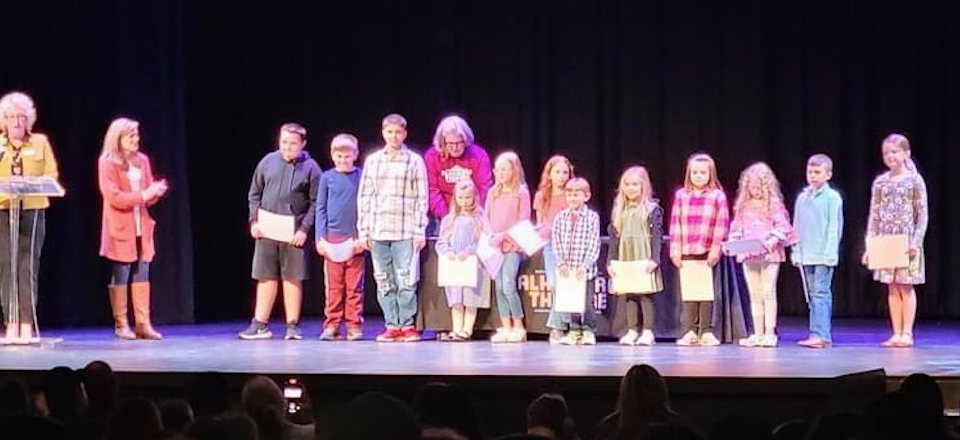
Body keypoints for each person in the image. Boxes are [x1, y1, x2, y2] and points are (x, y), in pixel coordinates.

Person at [239, 123, 322, 340]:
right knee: (265, 275)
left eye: (293, 143)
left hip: (293, 232)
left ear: (303, 144)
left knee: (292, 277)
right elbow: (254, 194)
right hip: (267, 228)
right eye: (284, 142)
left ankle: (292, 325)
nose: (287, 147)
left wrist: (304, 229)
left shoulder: (311, 168)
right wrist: (254, 220)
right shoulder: (268, 161)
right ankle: (260, 324)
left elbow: (317, 202)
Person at [357, 113, 429, 342]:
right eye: (390, 132)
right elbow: (365, 197)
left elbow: (421, 197)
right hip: (379, 231)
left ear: (405, 134)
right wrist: (364, 230)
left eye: (398, 132)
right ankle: (391, 324)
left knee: (406, 279)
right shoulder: (373, 161)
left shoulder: (414, 160)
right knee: (384, 280)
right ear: (383, 132)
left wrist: (419, 230)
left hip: (405, 231)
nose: (394, 136)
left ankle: (407, 324)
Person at [98, 117, 168, 340]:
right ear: (118, 139)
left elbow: (146, 195)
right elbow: (113, 196)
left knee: (142, 272)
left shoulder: (142, 160)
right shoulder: (107, 163)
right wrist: (144, 195)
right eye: (131, 136)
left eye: (137, 135)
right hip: (120, 226)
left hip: (141, 224)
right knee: (121, 273)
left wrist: (154, 192)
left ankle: (142, 323)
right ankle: (121, 325)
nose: (136, 139)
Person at [0, 91, 60, 344]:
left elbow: (51, 173)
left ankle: (27, 324)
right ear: (3, 121)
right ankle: (10, 324)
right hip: (4, 210)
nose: (16, 122)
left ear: (28, 120)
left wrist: (32, 184)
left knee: (27, 267)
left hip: (33, 210)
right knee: (7, 266)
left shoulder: (40, 142)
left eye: (21, 117)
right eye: (10, 116)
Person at [862, 134, 928, 348]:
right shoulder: (880, 182)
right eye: (886, 152)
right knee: (892, 286)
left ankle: (907, 332)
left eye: (895, 151)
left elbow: (922, 214)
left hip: (906, 239)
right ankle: (896, 332)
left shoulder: (914, 180)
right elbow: (874, 215)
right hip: (886, 238)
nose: (890, 156)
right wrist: (869, 245)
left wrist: (915, 243)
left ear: (906, 153)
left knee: (905, 286)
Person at [728, 162, 795, 348]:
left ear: (766, 186)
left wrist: (772, 240)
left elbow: (783, 227)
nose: (755, 190)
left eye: (758, 187)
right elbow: (736, 229)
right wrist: (733, 242)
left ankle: (769, 333)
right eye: (752, 187)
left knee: (768, 292)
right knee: (754, 294)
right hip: (749, 255)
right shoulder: (743, 206)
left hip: (769, 255)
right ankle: (757, 334)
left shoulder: (773, 204)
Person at [669, 153, 729, 346]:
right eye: (694, 172)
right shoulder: (681, 195)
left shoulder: (717, 196)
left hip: (706, 250)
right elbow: (675, 223)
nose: (698, 176)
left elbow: (721, 223)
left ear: (710, 174)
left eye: (703, 172)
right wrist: (675, 249)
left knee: (706, 293)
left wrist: (715, 248)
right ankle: (690, 330)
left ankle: (705, 330)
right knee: (690, 292)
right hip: (686, 250)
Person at [315, 134, 364, 341]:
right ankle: (332, 324)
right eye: (339, 156)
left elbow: (366, 207)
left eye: (347, 156)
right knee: (334, 288)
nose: (343, 160)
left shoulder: (361, 176)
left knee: (354, 287)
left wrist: (362, 238)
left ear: (355, 155)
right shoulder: (327, 178)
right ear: (332, 156)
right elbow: (320, 208)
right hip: (331, 240)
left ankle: (353, 325)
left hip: (354, 241)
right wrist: (320, 238)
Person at [607, 166, 664, 346]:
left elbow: (657, 236)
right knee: (629, 294)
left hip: (644, 255)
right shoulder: (619, 211)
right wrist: (610, 261)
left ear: (643, 186)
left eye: (635, 184)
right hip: (625, 256)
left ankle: (648, 331)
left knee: (645, 294)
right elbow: (614, 239)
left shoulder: (651, 209)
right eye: (627, 184)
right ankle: (632, 329)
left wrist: (655, 258)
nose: (631, 188)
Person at [791, 154, 843, 349]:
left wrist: (830, 255)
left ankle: (822, 334)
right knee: (811, 295)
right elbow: (796, 227)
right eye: (810, 172)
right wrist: (796, 252)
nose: (812, 176)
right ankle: (815, 332)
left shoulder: (832, 198)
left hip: (823, 255)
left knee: (821, 293)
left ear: (828, 174)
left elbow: (833, 228)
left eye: (817, 172)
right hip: (806, 255)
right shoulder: (802, 198)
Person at [484, 152, 531, 343]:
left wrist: (503, 236)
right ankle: (506, 326)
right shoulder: (492, 192)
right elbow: (485, 216)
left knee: (508, 285)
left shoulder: (521, 192)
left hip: (512, 246)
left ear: (514, 170)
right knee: (499, 288)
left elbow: (523, 220)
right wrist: (491, 236)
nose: (500, 173)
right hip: (496, 247)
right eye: (498, 170)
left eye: (504, 169)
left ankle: (519, 326)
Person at [436, 180, 488, 341]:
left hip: (473, 264)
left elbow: (483, 240)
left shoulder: (479, 218)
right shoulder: (449, 219)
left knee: (470, 298)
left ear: (474, 197)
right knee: (456, 299)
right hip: (455, 265)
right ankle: (457, 329)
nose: (465, 201)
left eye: (468, 197)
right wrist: (448, 252)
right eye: (461, 197)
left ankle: (467, 329)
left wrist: (470, 251)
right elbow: (441, 242)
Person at [552, 178, 601, 345]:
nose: (572, 198)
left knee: (586, 303)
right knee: (570, 301)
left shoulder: (592, 217)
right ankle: (573, 329)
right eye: (570, 194)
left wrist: (585, 265)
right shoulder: (560, 217)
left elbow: (594, 242)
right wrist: (561, 262)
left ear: (586, 196)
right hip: (567, 269)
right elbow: (556, 241)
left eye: (577, 194)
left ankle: (588, 330)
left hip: (584, 271)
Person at [424, 115, 492, 232]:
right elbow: (431, 190)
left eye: (458, 143)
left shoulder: (478, 155)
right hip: (442, 218)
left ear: (466, 140)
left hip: (473, 216)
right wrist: (448, 217)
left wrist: (470, 212)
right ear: (442, 142)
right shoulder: (431, 157)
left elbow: (483, 187)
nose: (455, 148)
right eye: (450, 144)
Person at [532, 155, 574, 344]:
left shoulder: (572, 194)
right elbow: (540, 222)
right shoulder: (542, 195)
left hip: (570, 246)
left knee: (567, 284)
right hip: (550, 245)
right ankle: (562, 323)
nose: (561, 176)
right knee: (554, 284)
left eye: (565, 172)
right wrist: (541, 230)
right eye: (557, 172)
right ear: (549, 174)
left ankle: (558, 327)